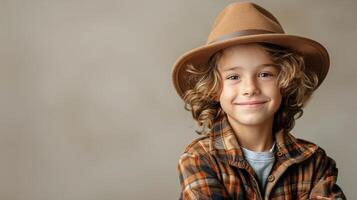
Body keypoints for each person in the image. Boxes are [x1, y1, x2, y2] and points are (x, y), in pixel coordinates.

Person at [171, 2, 346, 200]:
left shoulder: (314, 162)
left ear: (286, 82)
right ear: (213, 90)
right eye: (233, 77)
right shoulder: (199, 158)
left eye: (265, 74)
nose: (250, 88)